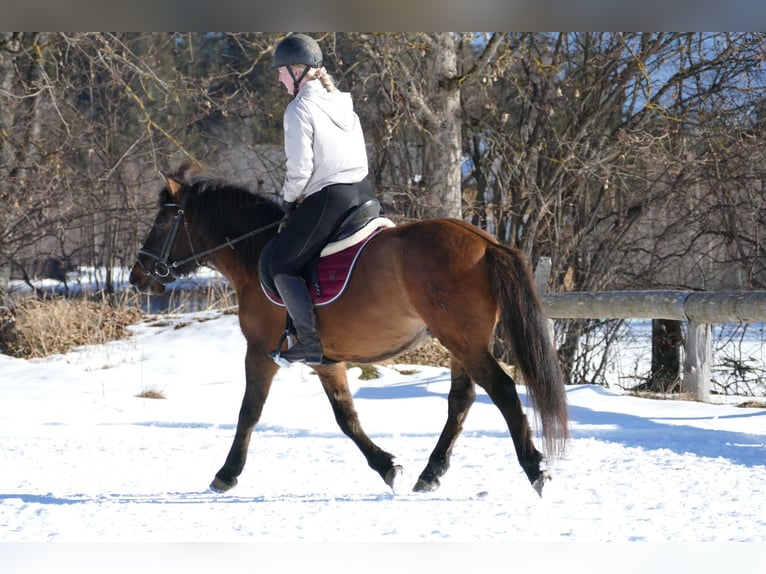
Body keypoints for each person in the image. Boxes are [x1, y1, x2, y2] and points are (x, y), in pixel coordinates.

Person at [267, 33, 373, 365]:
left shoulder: (299, 109)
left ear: (297, 70)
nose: (279, 78)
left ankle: (310, 342)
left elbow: (300, 169)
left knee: (281, 264)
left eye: (281, 71)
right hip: (362, 195)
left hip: (330, 198)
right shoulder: (344, 105)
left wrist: (288, 199)